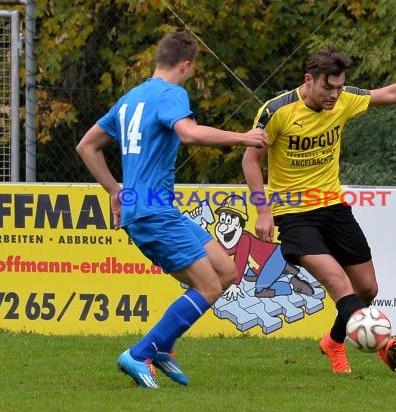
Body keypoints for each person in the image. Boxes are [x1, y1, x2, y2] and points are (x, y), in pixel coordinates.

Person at [242, 45, 396, 374]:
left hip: (334, 207)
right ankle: (382, 342)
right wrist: (263, 211)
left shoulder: (345, 98)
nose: (335, 94)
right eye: (327, 87)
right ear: (309, 80)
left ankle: (333, 341)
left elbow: (390, 93)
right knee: (338, 283)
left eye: (339, 86)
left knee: (367, 289)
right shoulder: (277, 111)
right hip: (293, 215)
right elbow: (251, 159)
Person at [76, 31, 268, 388]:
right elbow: (189, 134)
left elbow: (87, 146)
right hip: (153, 215)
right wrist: (243, 137)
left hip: (156, 209)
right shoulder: (171, 94)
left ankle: (162, 347)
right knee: (209, 286)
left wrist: (117, 191)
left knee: (226, 271)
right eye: (192, 71)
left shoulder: (131, 98)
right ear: (186, 65)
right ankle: (140, 353)